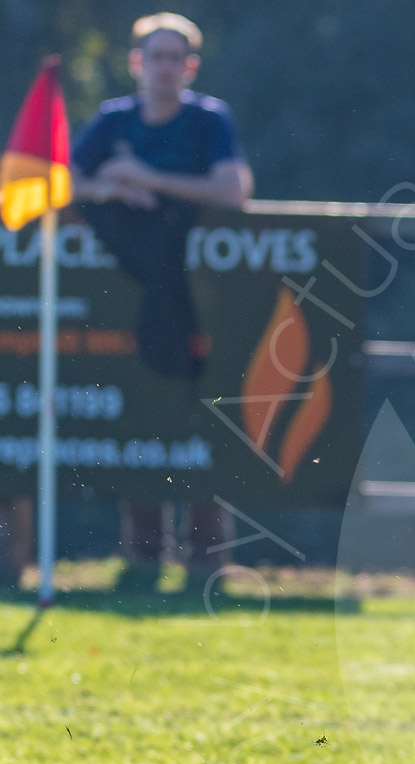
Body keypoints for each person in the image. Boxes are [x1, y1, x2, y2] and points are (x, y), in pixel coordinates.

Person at [70, 12, 253, 588]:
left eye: (177, 57)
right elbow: (59, 179)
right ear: (136, 63)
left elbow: (234, 190)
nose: (166, 67)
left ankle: (207, 562)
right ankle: (142, 559)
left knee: (203, 416)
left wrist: (147, 178)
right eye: (157, 56)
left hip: (203, 297)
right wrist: (107, 186)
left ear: (190, 67)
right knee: (142, 412)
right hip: (132, 294)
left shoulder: (207, 119)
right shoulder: (113, 120)